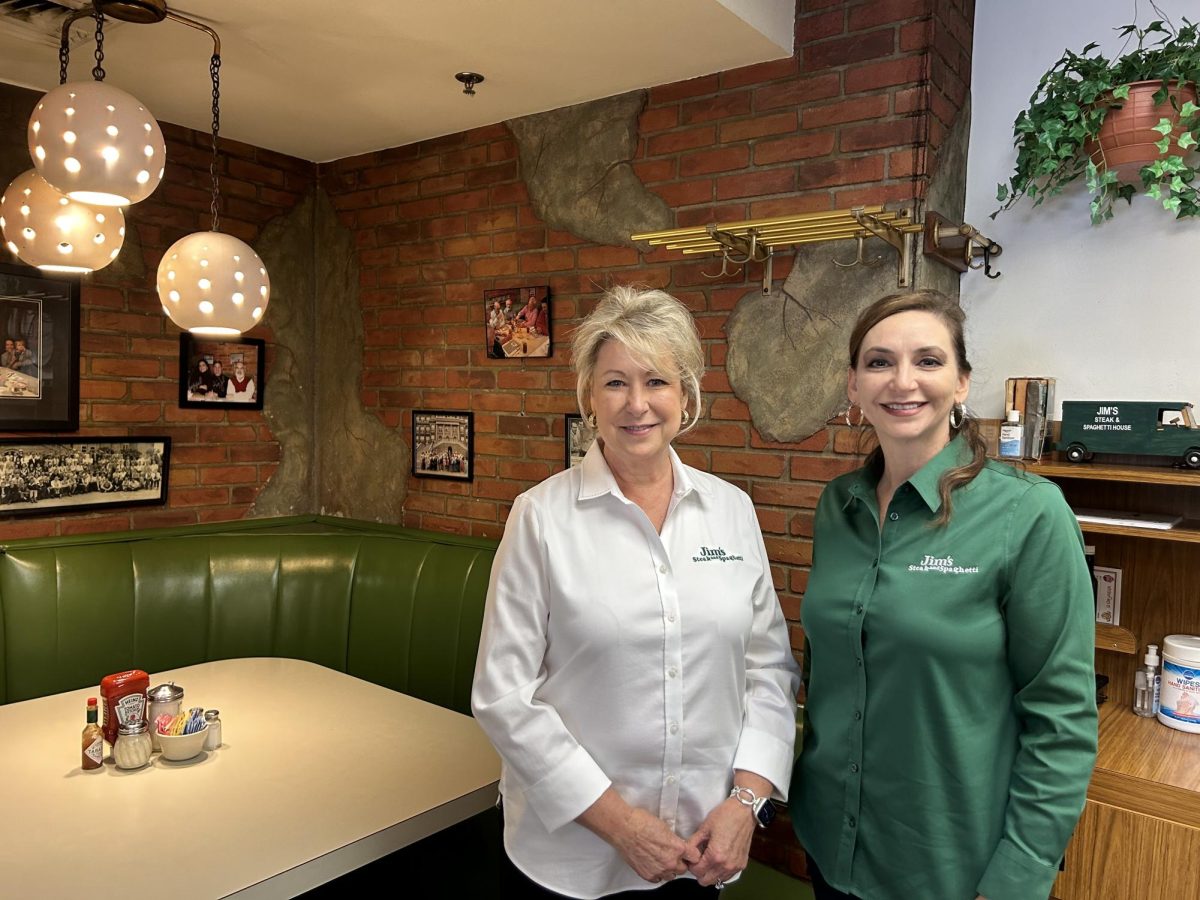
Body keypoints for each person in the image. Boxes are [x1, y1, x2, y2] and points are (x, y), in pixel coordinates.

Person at [472, 285, 800, 899]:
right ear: (590, 397)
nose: (637, 403)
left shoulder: (731, 511)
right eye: (616, 382)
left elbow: (769, 672)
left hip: (699, 850)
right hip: (567, 860)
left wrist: (744, 806)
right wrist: (620, 826)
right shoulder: (540, 517)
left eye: (656, 381)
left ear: (685, 395)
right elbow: (502, 695)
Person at [789, 290, 1097, 900]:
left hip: (950, 869)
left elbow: (1061, 719)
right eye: (879, 362)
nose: (902, 381)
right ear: (853, 386)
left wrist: (1017, 878)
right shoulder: (838, 506)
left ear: (961, 383)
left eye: (928, 361)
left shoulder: (1027, 514)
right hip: (832, 846)